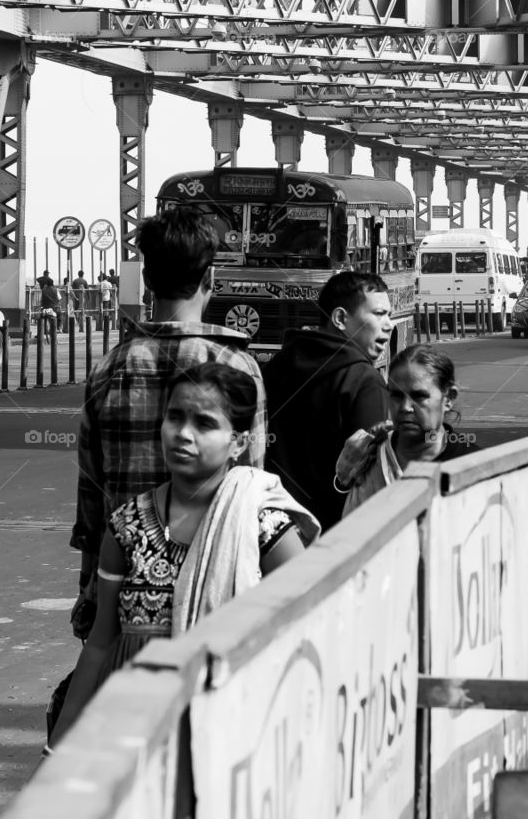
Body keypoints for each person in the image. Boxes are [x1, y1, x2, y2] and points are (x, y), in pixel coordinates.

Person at [51, 363, 318, 747]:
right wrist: (55, 748)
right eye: (174, 417)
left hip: (230, 733)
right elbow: (100, 643)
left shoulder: (261, 526)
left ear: (239, 442)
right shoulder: (127, 527)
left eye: (205, 424)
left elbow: (308, 624)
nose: (182, 434)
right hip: (134, 733)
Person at [70, 207, 268, 641]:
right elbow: (249, 488)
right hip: (214, 585)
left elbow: (91, 489)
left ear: (147, 280)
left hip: (126, 586)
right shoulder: (238, 364)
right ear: (210, 279)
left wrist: (90, 580)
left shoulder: (110, 368)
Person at [264, 271, 393, 531]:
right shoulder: (364, 382)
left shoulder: (278, 364)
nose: (389, 324)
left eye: (388, 315)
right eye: (379, 314)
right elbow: (367, 478)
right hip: (332, 535)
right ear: (341, 318)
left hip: (273, 530)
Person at [334, 346, 479, 514]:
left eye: (419, 397)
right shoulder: (367, 457)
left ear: (448, 398)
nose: (405, 407)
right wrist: (343, 480)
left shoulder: (472, 464)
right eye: (396, 395)